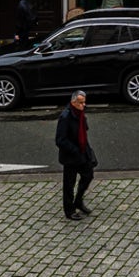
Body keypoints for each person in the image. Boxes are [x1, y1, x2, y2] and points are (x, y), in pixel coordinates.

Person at [55, 90, 97, 220]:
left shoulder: (81, 115)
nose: (83, 105)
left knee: (88, 175)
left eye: (84, 102)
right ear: (73, 102)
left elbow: (84, 133)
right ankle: (69, 210)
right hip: (70, 157)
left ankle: (78, 200)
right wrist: (74, 150)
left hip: (82, 153)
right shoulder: (66, 117)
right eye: (80, 103)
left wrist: (88, 152)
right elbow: (60, 140)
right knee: (69, 184)